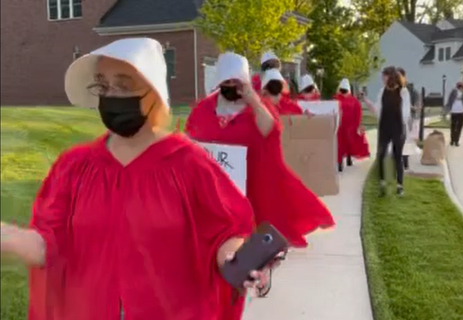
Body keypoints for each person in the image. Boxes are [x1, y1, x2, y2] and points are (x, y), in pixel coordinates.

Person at [0, 38, 266, 320]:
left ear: (154, 92)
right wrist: (7, 236)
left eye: (124, 85)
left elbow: (226, 232)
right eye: (104, 85)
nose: (111, 95)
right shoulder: (74, 167)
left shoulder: (189, 165)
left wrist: (234, 258)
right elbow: (48, 245)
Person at [185, 52, 335, 249]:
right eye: (227, 81)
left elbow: (270, 130)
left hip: (251, 177)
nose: (232, 86)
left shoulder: (257, 106)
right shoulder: (206, 107)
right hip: (217, 180)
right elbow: (192, 136)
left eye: (236, 81)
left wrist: (252, 99)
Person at [362, 67, 411, 197]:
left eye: (383, 76)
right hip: (384, 127)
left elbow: (406, 112)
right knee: (381, 154)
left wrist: (403, 127)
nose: (382, 79)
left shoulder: (403, 92)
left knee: (398, 156)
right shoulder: (382, 91)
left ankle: (400, 186)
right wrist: (366, 101)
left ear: (390, 76)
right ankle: (382, 183)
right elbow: (377, 110)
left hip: (398, 127)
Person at [335, 78, 370, 172]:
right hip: (348, 125)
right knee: (347, 143)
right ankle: (346, 159)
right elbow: (358, 113)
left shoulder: (337, 99)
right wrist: (358, 124)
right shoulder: (353, 100)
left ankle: (342, 161)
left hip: (342, 125)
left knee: (341, 144)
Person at [444, 81, 463, 147]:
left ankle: (457, 141)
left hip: (461, 111)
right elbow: (449, 101)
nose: (460, 87)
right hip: (454, 111)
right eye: (459, 86)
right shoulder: (453, 92)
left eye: (461, 86)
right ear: (457, 86)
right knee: (453, 126)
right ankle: (452, 140)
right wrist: (447, 111)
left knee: (459, 127)